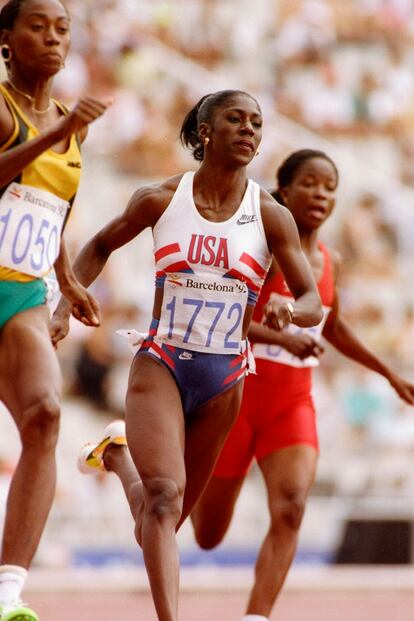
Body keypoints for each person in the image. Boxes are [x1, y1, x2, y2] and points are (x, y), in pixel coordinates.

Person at [50, 90, 323, 621]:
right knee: (164, 497)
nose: (248, 130)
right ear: (204, 131)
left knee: (163, 520)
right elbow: (101, 244)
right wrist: (66, 304)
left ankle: (115, 455)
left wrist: (291, 311)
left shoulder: (270, 215)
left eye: (257, 124)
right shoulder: (161, 200)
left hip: (225, 378)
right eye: (235, 120)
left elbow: (312, 298)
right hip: (162, 365)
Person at [190, 149, 414, 621]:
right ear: (285, 190)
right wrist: (281, 338)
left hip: (290, 404)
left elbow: (333, 327)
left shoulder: (328, 260)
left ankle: (257, 616)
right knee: (207, 535)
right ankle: (124, 451)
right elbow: (220, 316)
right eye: (310, 184)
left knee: (291, 507)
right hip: (233, 398)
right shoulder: (257, 249)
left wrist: (389, 372)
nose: (320, 194)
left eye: (329, 187)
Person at [0, 0, 111, 619]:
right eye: (37, 25)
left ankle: (7, 593)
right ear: (6, 41)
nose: (52, 37)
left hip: (22, 291)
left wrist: (66, 280)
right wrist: (54, 136)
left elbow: (52, 204)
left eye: (62, 28)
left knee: (43, 414)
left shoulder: (73, 123)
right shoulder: (6, 108)